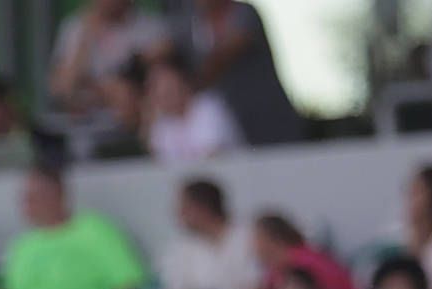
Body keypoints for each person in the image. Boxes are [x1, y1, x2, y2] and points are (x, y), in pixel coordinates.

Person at [1, 167, 148, 289]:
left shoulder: (94, 230)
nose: (28, 204)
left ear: (59, 195)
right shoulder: (23, 245)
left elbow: (129, 287)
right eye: (25, 198)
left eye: (35, 197)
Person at [181, 0, 302, 147]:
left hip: (268, 115)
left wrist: (189, 81)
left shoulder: (244, 12)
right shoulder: (192, 24)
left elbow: (227, 53)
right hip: (229, 123)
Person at [49, 0, 171, 114]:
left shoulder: (149, 27)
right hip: (84, 126)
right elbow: (61, 89)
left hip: (132, 124)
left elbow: (163, 87)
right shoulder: (76, 27)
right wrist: (85, 38)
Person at [160, 179, 253, 289]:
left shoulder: (247, 237)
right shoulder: (180, 248)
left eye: (184, 207)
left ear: (203, 208)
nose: (178, 213)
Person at [145, 53, 240, 166]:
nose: (162, 93)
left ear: (185, 82)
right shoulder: (161, 125)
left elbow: (212, 159)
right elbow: (161, 167)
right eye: (156, 89)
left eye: (169, 88)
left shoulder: (208, 106)